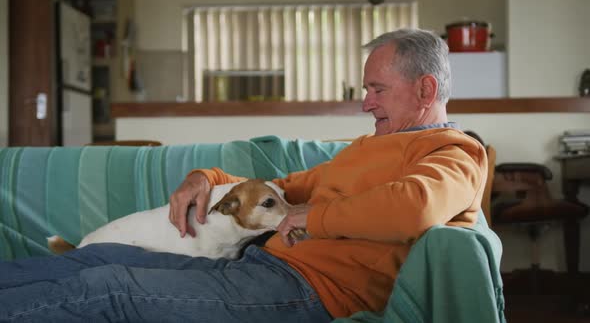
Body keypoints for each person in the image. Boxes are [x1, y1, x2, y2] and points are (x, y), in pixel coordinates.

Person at [0, 28, 487, 322]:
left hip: (307, 294)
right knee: (101, 258)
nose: (366, 102)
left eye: (377, 89)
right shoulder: (366, 149)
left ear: (425, 88)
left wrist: (309, 219)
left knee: (108, 288)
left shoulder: (454, 153)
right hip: (260, 271)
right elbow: (281, 188)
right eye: (367, 89)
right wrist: (205, 177)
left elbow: (416, 206)